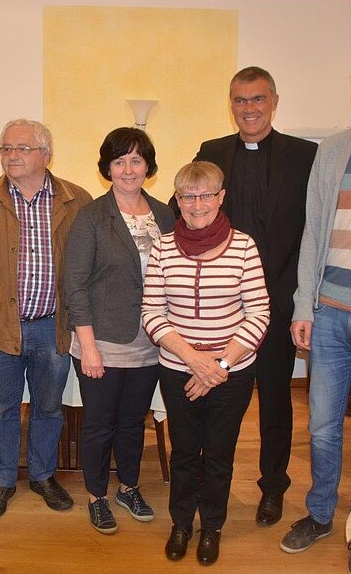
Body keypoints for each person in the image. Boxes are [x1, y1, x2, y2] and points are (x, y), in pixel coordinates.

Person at [169, 67, 318, 526]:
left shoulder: (305, 155)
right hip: (220, 309)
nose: (249, 108)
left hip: (277, 303)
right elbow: (182, 208)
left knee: (275, 402)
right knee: (208, 402)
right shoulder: (212, 151)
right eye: (240, 100)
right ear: (230, 104)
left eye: (258, 99)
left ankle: (273, 487)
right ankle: (201, 489)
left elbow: (315, 228)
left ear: (274, 101)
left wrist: (306, 299)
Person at [0, 119, 92, 519]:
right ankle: (3, 481)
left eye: (22, 148)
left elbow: (90, 267)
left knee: (49, 408)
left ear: (46, 154)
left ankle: (43, 476)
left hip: (53, 327)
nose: (12, 156)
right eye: (6, 148)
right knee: (1, 409)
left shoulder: (76, 200)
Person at [143, 161, 270, 566]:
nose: (197, 205)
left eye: (206, 195)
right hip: (178, 369)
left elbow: (259, 313)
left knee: (218, 453)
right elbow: (152, 312)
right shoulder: (162, 247)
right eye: (188, 196)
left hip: (231, 373)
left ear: (221, 197)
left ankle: (212, 526)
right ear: (177, 200)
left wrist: (220, 366)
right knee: (183, 451)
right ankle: (181, 523)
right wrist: (195, 360)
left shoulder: (244, 246)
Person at [279, 47, 351, 574]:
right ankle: (319, 514)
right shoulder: (333, 151)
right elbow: (313, 232)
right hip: (331, 313)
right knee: (323, 428)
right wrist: (303, 307)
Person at [64, 127, 174, 534]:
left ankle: (128, 487)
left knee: (133, 422)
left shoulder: (165, 214)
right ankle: (96, 496)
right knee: (99, 424)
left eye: (136, 160)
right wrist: (89, 347)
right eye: (120, 161)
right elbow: (75, 284)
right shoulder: (92, 216)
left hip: (151, 342)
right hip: (103, 341)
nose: (129, 169)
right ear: (107, 168)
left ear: (148, 166)